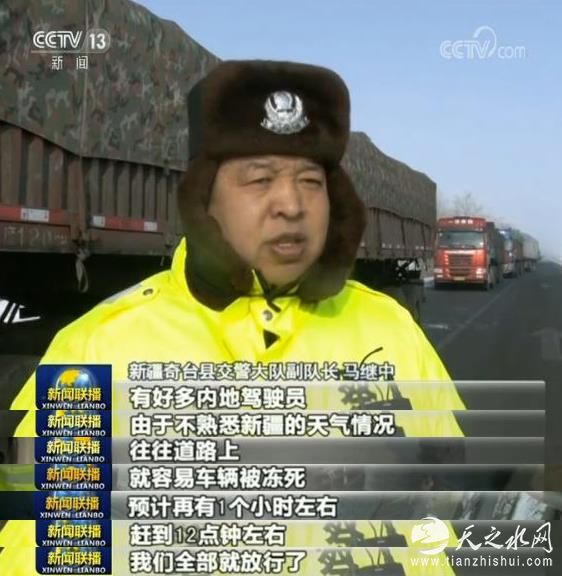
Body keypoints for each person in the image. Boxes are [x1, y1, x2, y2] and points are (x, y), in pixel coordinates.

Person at [0, 60, 465, 572]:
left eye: (311, 181)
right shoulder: (97, 351)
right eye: (260, 179)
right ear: (205, 199)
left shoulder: (390, 333)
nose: (291, 204)